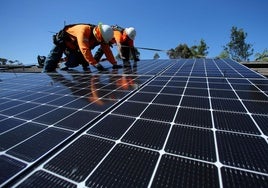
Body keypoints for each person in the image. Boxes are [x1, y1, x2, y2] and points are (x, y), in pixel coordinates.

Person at [43, 23, 122, 72]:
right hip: (63, 41)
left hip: (74, 47)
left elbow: (107, 50)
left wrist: (114, 64)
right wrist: (95, 64)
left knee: (74, 63)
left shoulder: (102, 37)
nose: (102, 42)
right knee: (51, 62)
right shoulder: (84, 30)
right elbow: (84, 49)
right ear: (99, 35)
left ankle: (62, 65)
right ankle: (46, 73)